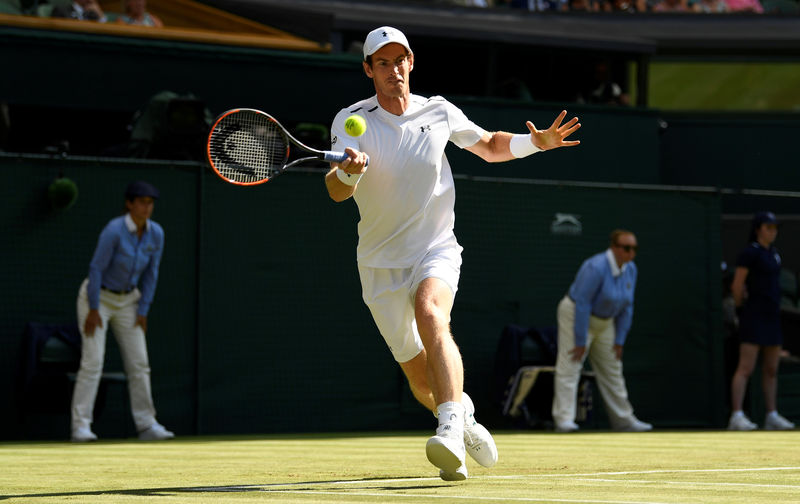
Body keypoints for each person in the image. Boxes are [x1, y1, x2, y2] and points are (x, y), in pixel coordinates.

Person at [325, 26, 580, 481]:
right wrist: (348, 174)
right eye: (382, 62)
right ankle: (462, 415)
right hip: (378, 264)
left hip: (435, 248)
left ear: (411, 62)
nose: (393, 69)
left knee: (431, 312)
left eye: (399, 59)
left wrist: (534, 143)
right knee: (419, 378)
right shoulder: (350, 121)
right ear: (368, 70)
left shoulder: (438, 110)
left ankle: (448, 434)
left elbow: (487, 145)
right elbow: (335, 193)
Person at [71, 181, 174, 442]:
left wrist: (143, 309)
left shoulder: (156, 233)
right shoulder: (114, 230)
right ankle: (80, 426)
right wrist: (94, 308)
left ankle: (147, 424)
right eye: (141, 201)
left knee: (139, 363)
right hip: (97, 299)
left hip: (129, 302)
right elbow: (95, 269)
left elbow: (152, 273)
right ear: (129, 204)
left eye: (150, 203)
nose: (146, 207)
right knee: (93, 362)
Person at [552, 230, 652, 433]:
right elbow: (582, 304)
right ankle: (564, 420)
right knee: (571, 365)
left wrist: (620, 340)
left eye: (634, 249)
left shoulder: (631, 269)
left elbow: (627, 307)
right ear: (614, 248)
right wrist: (580, 341)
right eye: (626, 248)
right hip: (576, 316)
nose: (631, 253)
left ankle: (623, 420)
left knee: (613, 368)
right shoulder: (595, 267)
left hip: (606, 322)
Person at [728, 211, 795, 431]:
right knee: (746, 368)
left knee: (771, 369)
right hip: (753, 315)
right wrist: (741, 308)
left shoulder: (774, 254)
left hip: (772, 316)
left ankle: (771, 414)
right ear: (758, 229)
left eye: (775, 228)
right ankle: (737, 415)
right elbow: (737, 286)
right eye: (768, 227)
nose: (772, 231)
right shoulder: (749, 253)